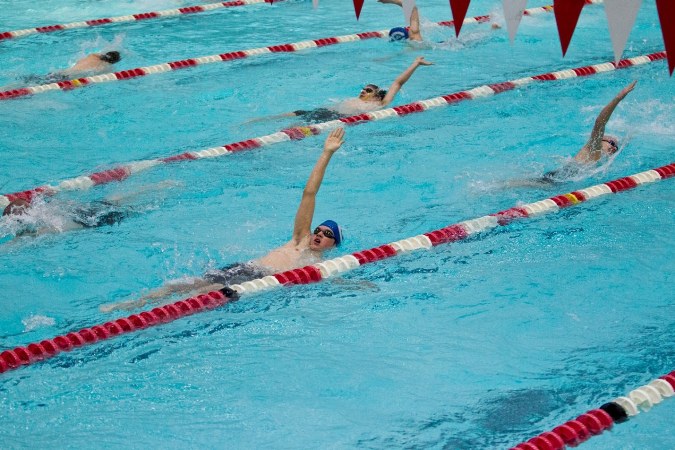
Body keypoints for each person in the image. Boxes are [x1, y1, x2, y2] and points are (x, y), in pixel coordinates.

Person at [100, 127, 348, 313]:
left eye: (328, 234)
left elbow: (335, 280)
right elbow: (309, 193)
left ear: (334, 245)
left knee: (200, 296)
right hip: (247, 269)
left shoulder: (318, 266)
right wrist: (326, 153)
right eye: (319, 229)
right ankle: (129, 304)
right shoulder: (300, 241)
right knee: (185, 286)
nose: (319, 234)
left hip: (256, 284)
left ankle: (146, 315)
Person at [509, 80, 637, 187]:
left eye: (616, 148)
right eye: (612, 143)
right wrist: (618, 98)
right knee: (506, 185)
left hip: (557, 182)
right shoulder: (594, 149)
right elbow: (600, 123)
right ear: (601, 139)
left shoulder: (599, 160)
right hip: (551, 181)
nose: (614, 148)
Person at [248, 57, 433, 123]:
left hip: (332, 119)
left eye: (367, 90)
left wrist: (415, 64)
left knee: (289, 130)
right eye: (362, 89)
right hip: (324, 111)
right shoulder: (360, 99)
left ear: (376, 95)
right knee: (290, 115)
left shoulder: (381, 103)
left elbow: (397, 83)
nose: (362, 91)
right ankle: (254, 121)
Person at [1, 180, 175, 239]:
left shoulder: (39, 231)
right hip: (84, 210)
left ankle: (161, 192)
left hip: (92, 220)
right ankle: (158, 187)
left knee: (137, 210)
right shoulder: (46, 212)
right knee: (112, 200)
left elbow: (10, 247)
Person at [21, 51, 121, 85]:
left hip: (60, 72)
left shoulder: (92, 56)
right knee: (35, 85)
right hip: (67, 77)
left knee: (32, 80)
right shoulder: (106, 67)